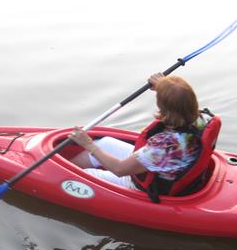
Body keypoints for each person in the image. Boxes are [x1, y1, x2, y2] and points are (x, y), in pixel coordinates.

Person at [68, 73, 208, 195]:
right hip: (169, 165)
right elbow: (180, 101)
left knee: (84, 176)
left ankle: (63, 175)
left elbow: (119, 169)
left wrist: (88, 145)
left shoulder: (165, 145)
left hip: (145, 184)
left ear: (163, 107)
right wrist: (165, 87)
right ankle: (65, 167)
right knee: (105, 143)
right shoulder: (201, 119)